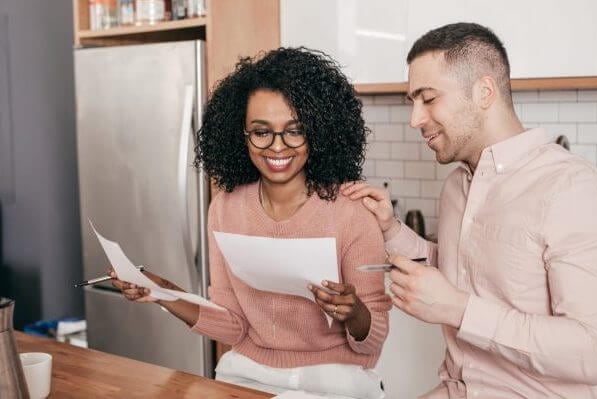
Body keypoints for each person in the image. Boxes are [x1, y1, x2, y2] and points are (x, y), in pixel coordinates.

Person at [342, 22, 597, 398]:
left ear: (484, 92)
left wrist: (458, 310)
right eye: (412, 102)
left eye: (428, 99)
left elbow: (591, 351)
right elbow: (461, 267)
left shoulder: (576, 191)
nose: (415, 119)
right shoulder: (457, 186)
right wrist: (390, 229)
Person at [109, 47, 391, 399]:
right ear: (240, 135)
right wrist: (162, 291)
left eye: (294, 131)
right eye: (261, 132)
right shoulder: (225, 209)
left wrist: (355, 313)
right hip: (248, 375)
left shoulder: (351, 214)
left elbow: (371, 341)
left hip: (333, 380)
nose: (277, 147)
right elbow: (233, 326)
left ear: (317, 132)